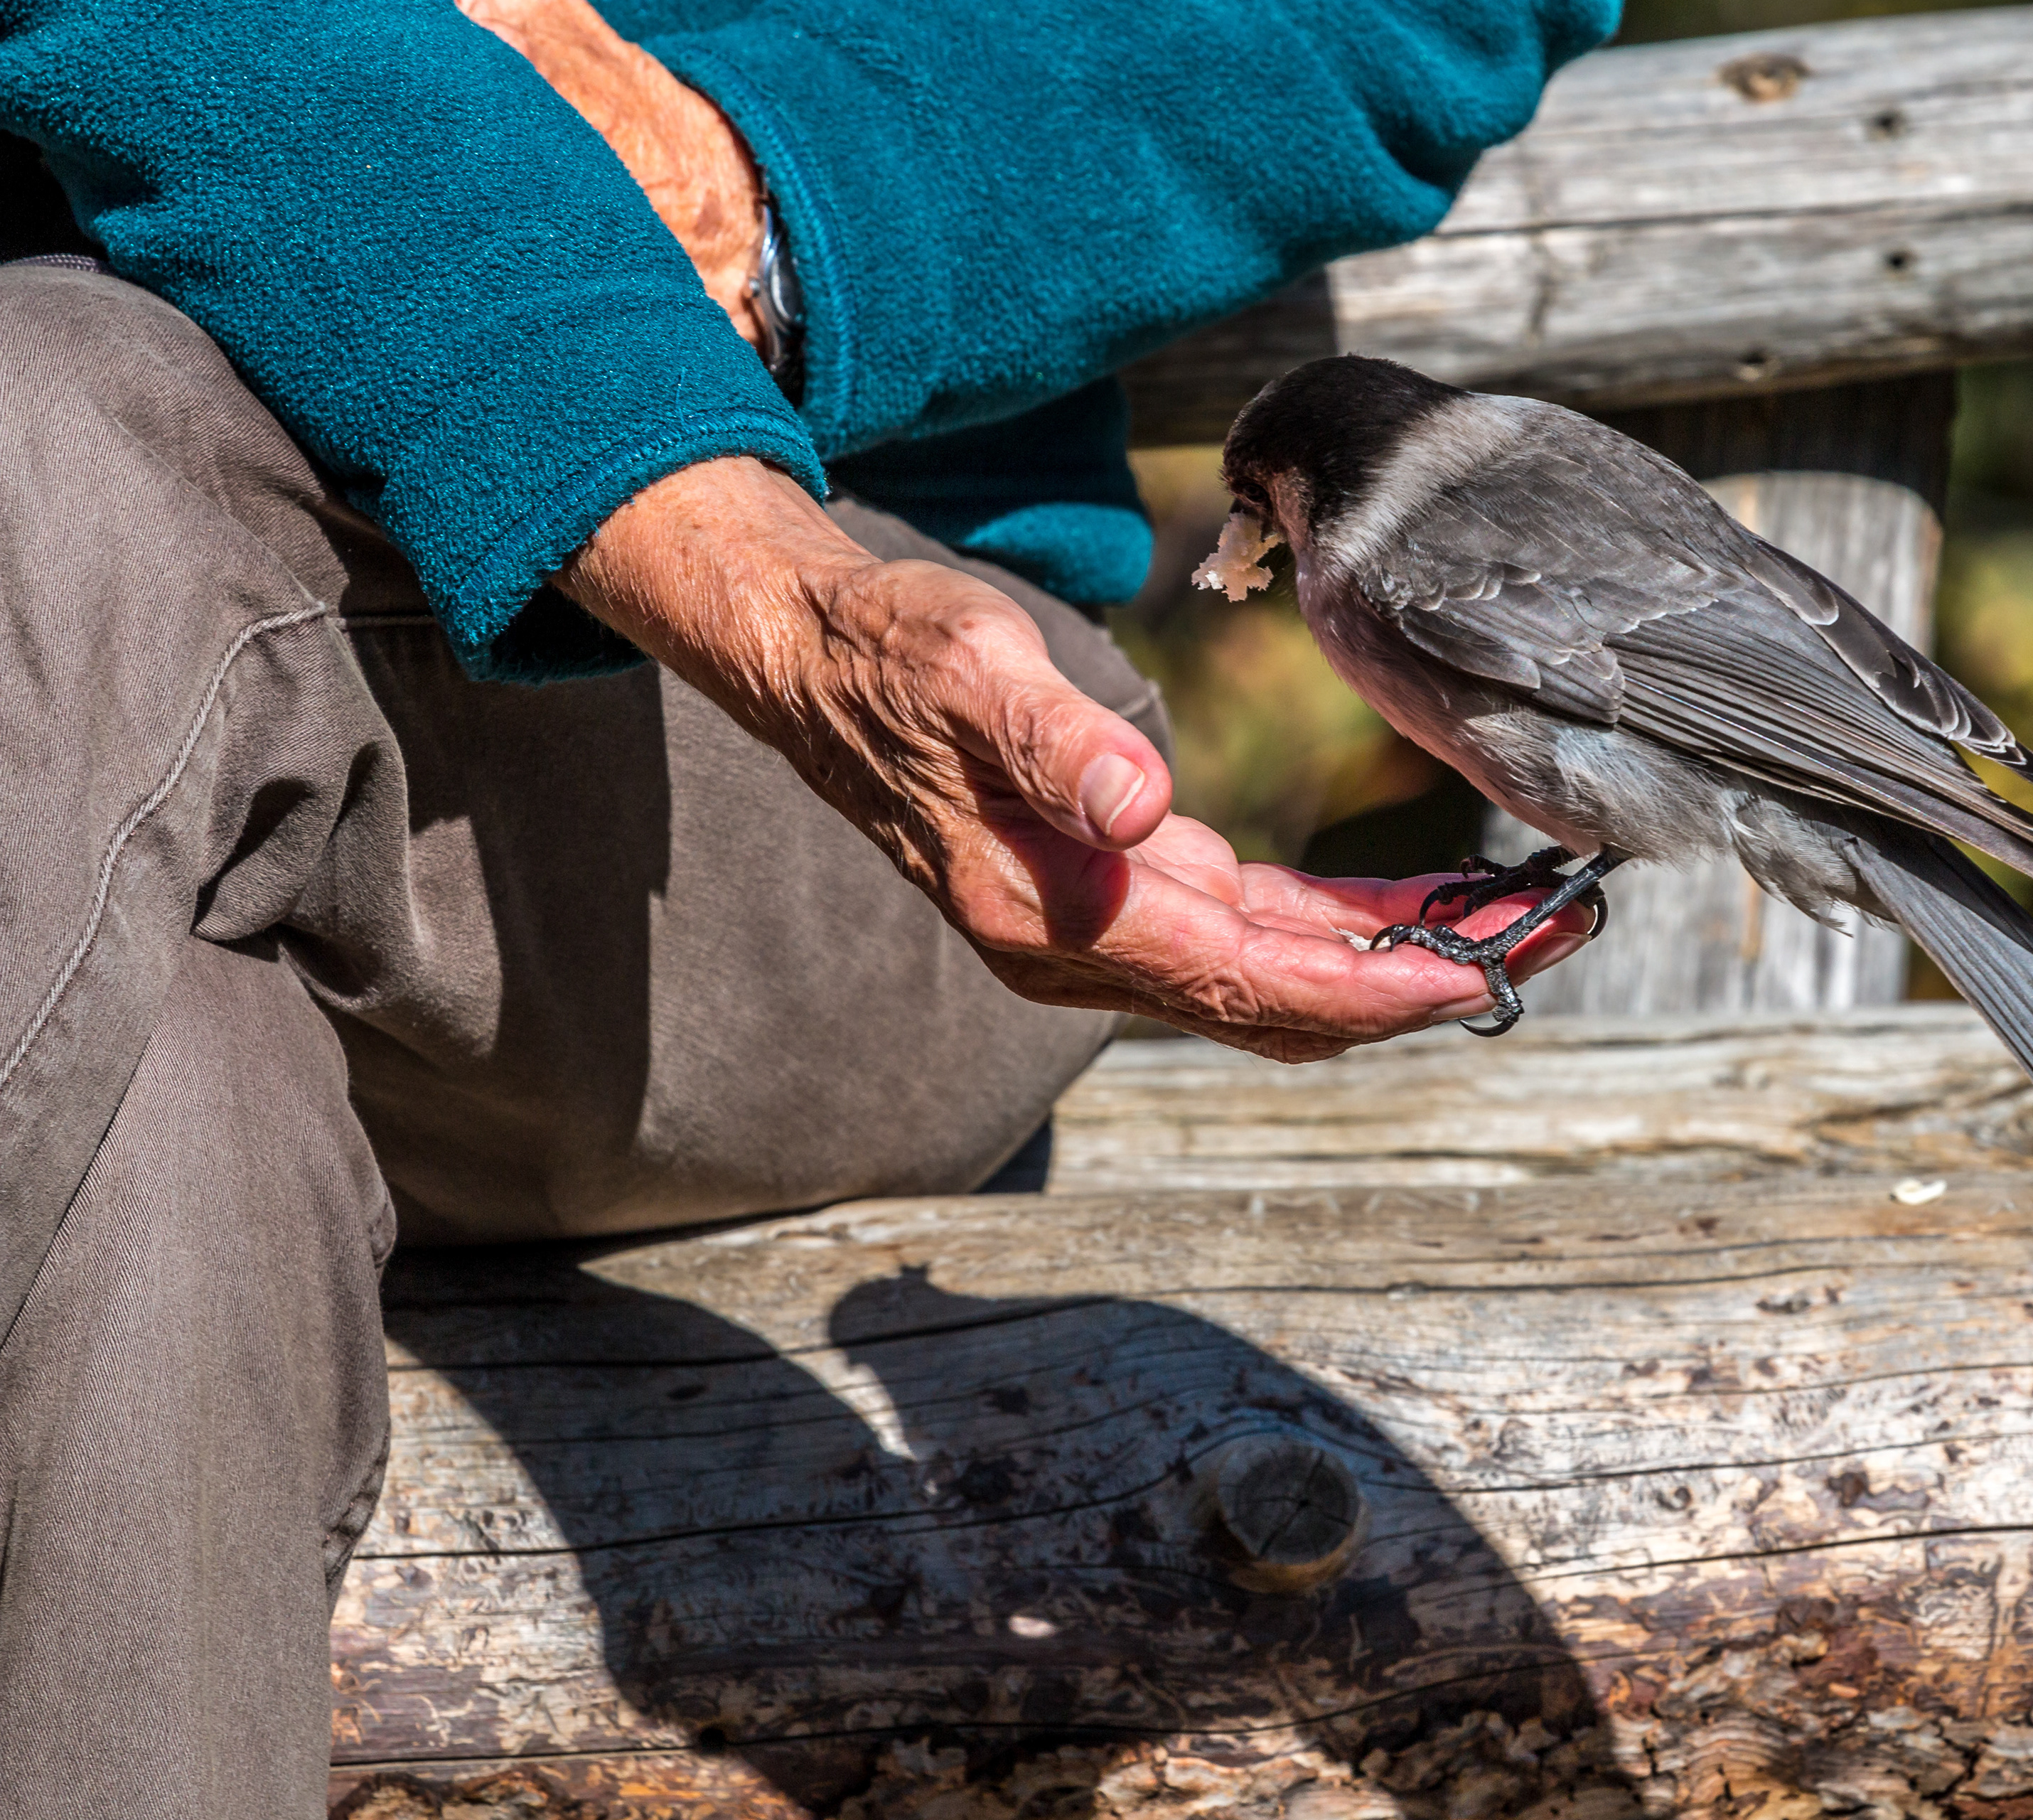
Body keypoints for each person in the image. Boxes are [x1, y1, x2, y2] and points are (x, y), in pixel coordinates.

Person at [0, 0, 1614, 1809]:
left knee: (41, 463)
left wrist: (767, 193)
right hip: (89, 778)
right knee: (166, 1098)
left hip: (835, 746)